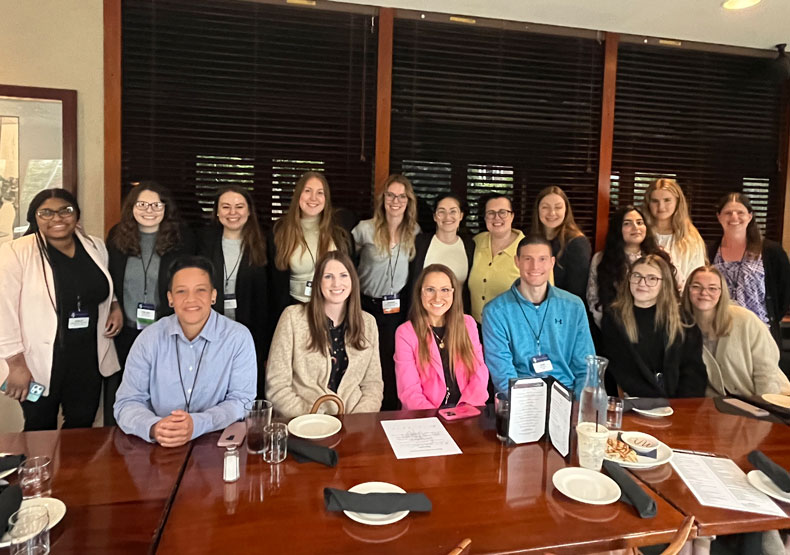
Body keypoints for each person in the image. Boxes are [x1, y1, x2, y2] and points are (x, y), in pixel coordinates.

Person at [0, 189, 121, 430]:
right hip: (38, 359)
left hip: (87, 356)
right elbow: (3, 311)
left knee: (82, 422)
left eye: (65, 211)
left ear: (76, 214)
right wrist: (15, 364)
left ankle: (72, 469)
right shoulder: (15, 252)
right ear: (34, 217)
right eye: (46, 213)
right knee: (38, 425)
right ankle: (39, 469)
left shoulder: (93, 245)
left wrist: (114, 305)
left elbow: (102, 281)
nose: (57, 218)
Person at [114, 256, 256, 447]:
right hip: (159, 446)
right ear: (170, 298)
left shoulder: (238, 338)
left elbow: (242, 401)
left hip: (216, 444)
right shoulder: (150, 338)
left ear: (213, 295)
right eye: (181, 291)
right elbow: (127, 402)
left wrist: (198, 423)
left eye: (201, 290)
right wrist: (155, 427)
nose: (191, 299)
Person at [106, 181, 194, 425]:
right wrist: (114, 307)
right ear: (131, 207)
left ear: (166, 208)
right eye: (142, 204)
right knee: (130, 390)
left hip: (166, 329)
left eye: (156, 204)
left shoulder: (181, 239)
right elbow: (109, 279)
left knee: (164, 389)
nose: (149, 210)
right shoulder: (116, 237)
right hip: (127, 329)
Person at [266, 251, 383, 418]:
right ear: (318, 282)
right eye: (328, 276)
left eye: (343, 275)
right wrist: (313, 419)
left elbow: (373, 385)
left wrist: (356, 421)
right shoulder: (292, 317)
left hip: (353, 425)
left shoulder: (368, 323)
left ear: (353, 281)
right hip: (304, 423)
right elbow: (277, 387)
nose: (336, 283)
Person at [482, 235, 595, 395]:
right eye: (528, 259)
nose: (535, 266)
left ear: (552, 262)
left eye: (542, 259)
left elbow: (585, 367)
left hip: (566, 397)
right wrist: (527, 407)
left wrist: (578, 405)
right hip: (520, 400)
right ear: (517, 261)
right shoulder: (495, 312)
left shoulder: (573, 306)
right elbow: (502, 373)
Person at [352, 174, 420, 410]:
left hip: (397, 309)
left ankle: (389, 409)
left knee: (392, 360)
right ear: (383, 198)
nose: (395, 201)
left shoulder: (414, 232)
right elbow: (349, 260)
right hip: (366, 305)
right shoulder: (364, 229)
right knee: (365, 359)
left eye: (402, 196)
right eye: (391, 195)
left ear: (408, 201)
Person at [601, 254, 707, 398]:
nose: (642, 283)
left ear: (664, 283)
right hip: (633, 400)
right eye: (636, 276)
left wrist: (680, 406)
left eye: (652, 278)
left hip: (677, 403)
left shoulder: (683, 321)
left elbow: (693, 371)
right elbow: (619, 369)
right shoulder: (614, 318)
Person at [198, 186, 269, 396]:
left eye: (239, 207)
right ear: (217, 212)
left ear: (249, 211)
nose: (232, 213)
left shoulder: (263, 243)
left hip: (252, 329)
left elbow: (269, 296)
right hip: (210, 328)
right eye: (226, 207)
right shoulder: (204, 241)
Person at [683, 265, 790, 397]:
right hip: (725, 407)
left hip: (771, 399)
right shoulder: (682, 327)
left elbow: (766, 370)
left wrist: (767, 409)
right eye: (696, 286)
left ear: (722, 292)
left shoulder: (745, 319)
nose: (704, 293)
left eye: (712, 288)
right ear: (687, 290)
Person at [395, 264, 489, 409]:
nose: (437, 297)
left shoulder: (468, 324)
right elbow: (409, 391)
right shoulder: (406, 333)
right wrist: (435, 419)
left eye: (444, 290)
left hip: (467, 410)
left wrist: (466, 409)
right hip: (425, 416)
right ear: (420, 293)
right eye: (430, 290)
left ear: (454, 293)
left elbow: (479, 372)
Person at [709, 192, 790, 346]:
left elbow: (784, 292)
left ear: (750, 216)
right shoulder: (710, 251)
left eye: (740, 212)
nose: (734, 217)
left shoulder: (770, 251)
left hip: (760, 334)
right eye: (728, 213)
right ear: (719, 216)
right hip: (719, 334)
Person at [270, 171, 351, 323]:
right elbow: (273, 283)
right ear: (298, 195)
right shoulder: (280, 231)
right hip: (295, 311)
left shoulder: (340, 231)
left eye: (320, 192)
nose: (313, 198)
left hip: (333, 312)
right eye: (307, 191)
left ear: (326, 198)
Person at [587, 205, 669, 328]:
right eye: (627, 223)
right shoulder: (601, 259)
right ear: (617, 229)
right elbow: (593, 298)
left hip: (656, 327)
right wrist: (609, 328)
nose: (635, 227)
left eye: (640, 222)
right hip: (615, 328)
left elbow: (676, 290)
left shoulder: (660, 256)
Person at [408, 193, 474, 311]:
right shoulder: (420, 243)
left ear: (461, 216)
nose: (447, 217)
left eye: (453, 211)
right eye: (441, 211)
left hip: (457, 317)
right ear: (434, 216)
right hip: (422, 315)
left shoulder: (470, 245)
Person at [468, 194, 525, 324]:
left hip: (511, 329)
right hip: (476, 327)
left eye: (503, 212)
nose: (496, 217)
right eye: (490, 213)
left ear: (512, 216)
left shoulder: (527, 249)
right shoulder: (476, 242)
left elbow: (544, 296)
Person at [642, 178, 706, 289]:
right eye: (655, 201)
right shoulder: (641, 233)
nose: (661, 207)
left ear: (677, 202)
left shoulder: (691, 238)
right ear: (648, 203)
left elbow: (697, 279)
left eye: (667, 200)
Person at [531, 186, 591, 300]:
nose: (552, 213)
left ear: (566, 210)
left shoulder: (577, 243)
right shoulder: (529, 238)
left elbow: (576, 292)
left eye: (558, 207)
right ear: (537, 209)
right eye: (545, 207)